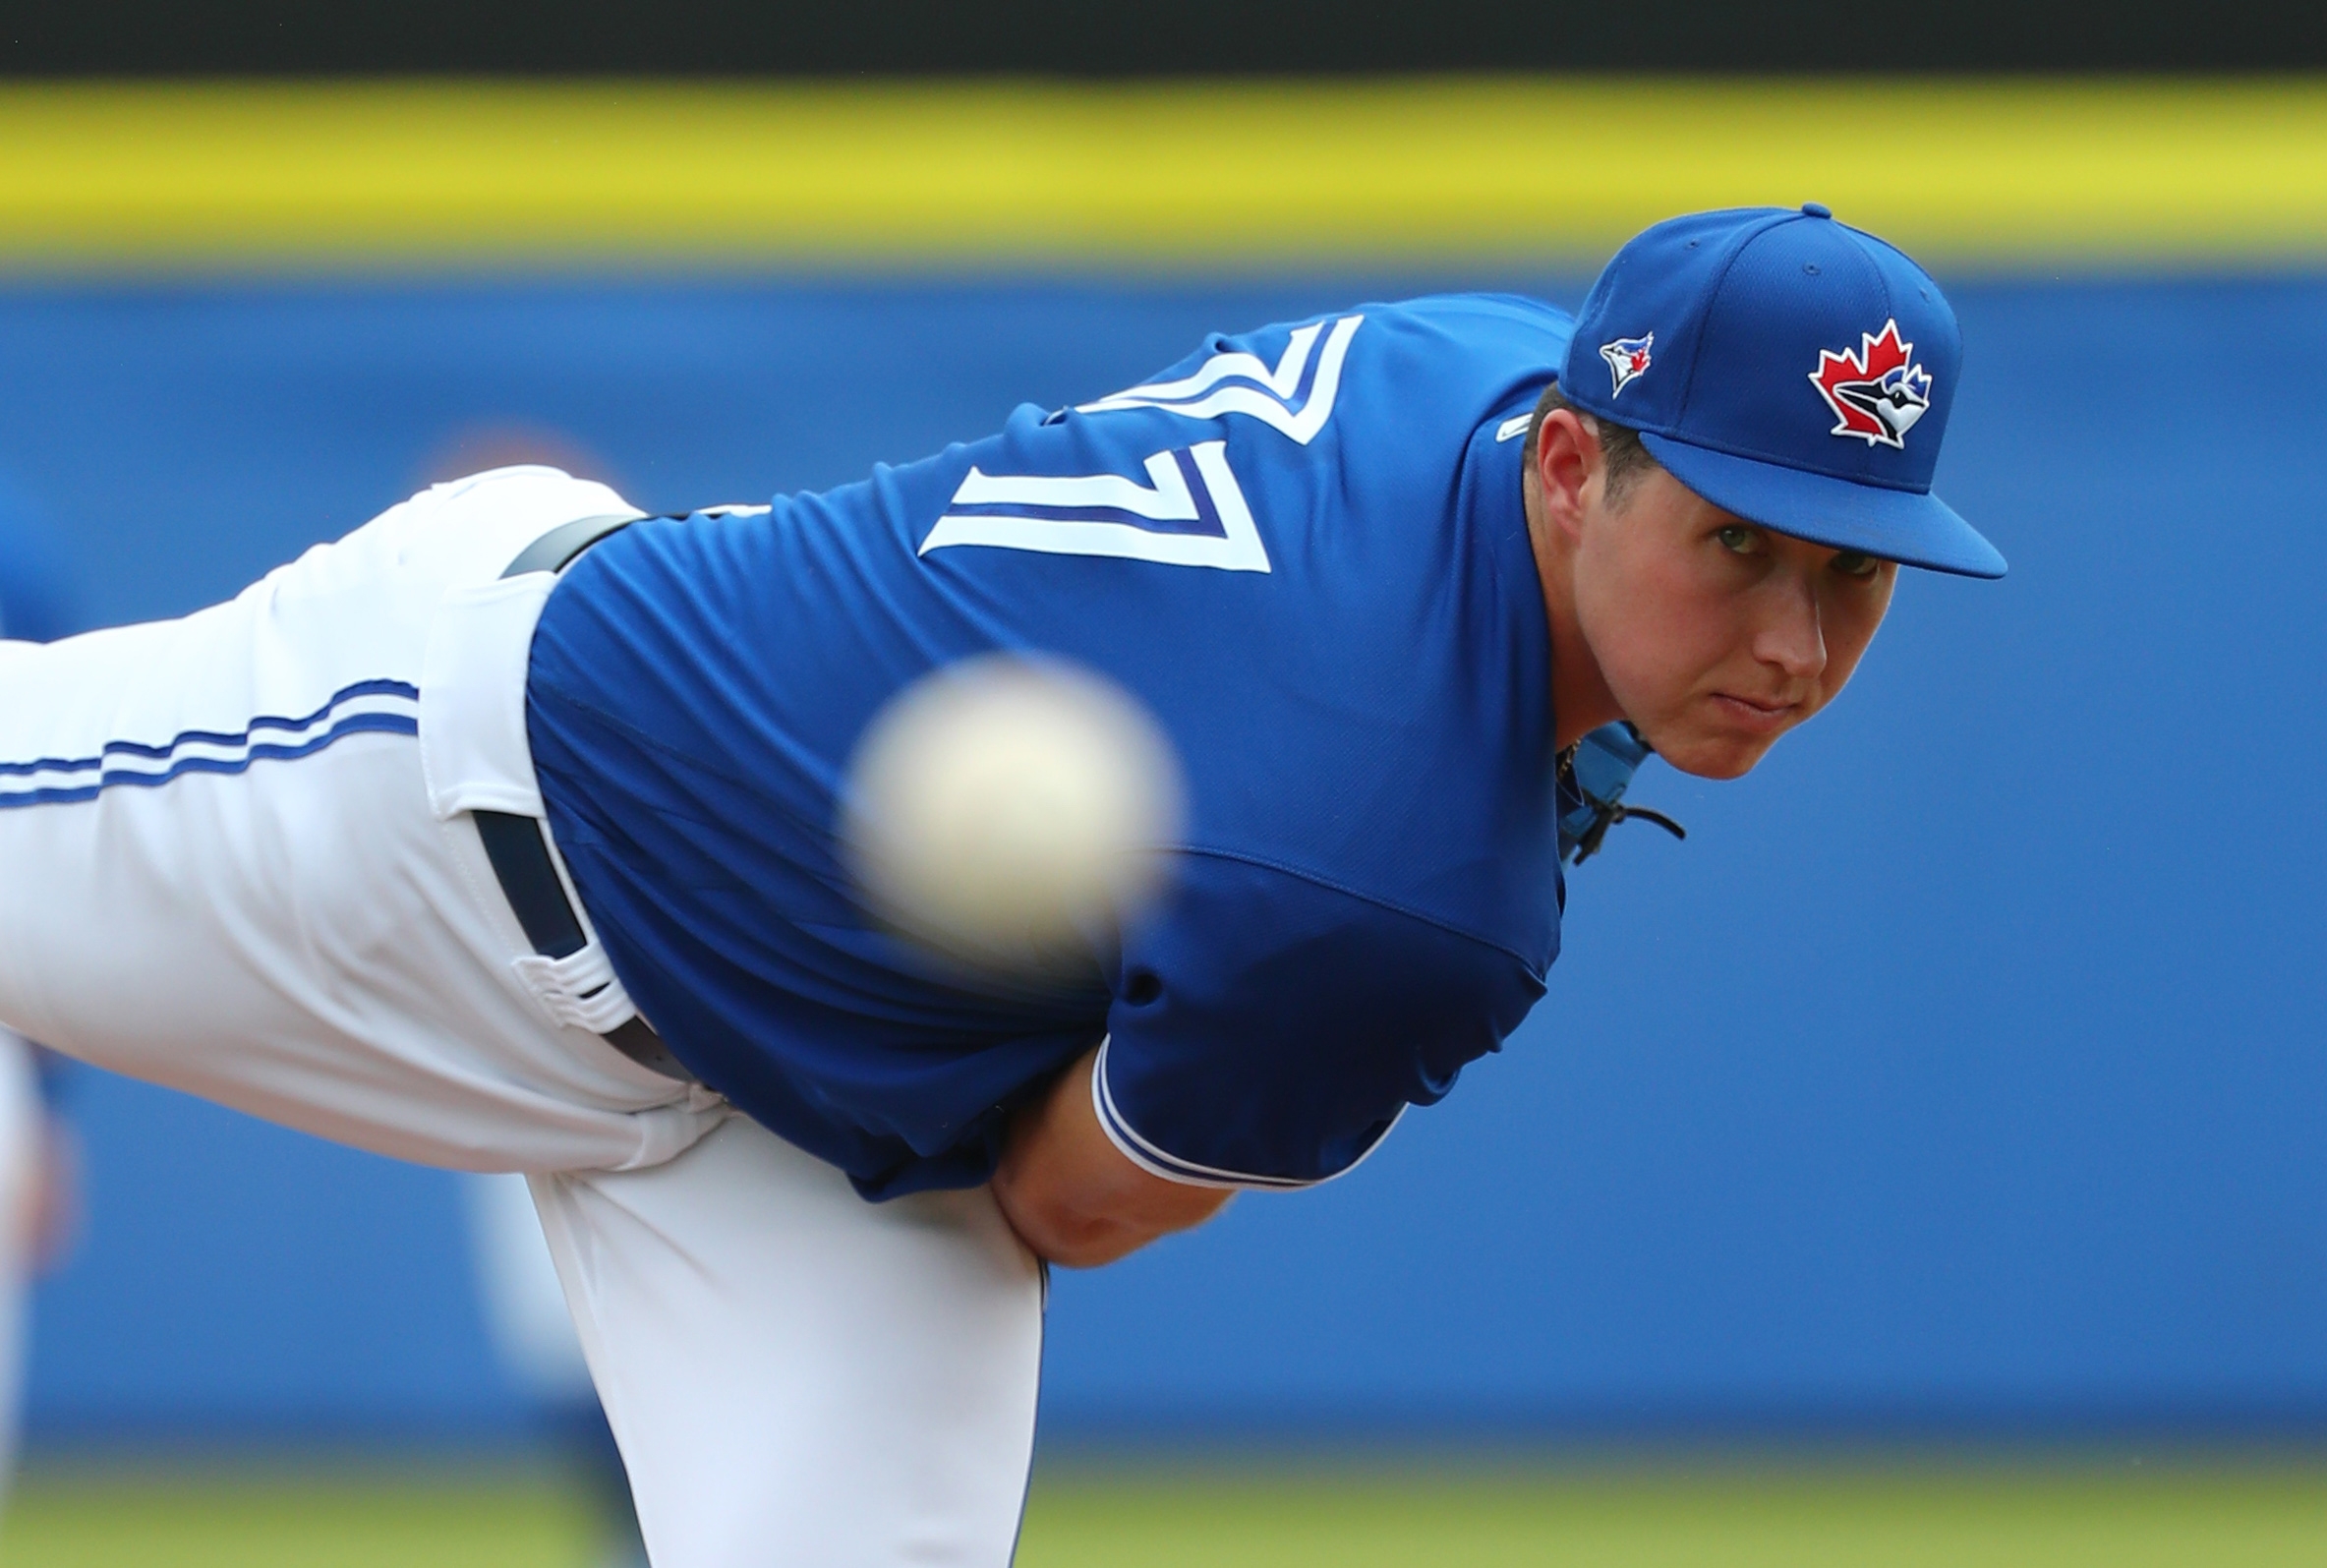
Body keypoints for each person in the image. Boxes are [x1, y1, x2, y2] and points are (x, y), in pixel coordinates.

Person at [0, 205, 2002, 1565]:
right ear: (1571, 463)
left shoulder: (1470, 371)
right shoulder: (1394, 900)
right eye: (1737, 543)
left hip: (815, 1128)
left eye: (1849, 568)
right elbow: (1067, 1197)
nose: (1797, 640)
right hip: (463, 792)